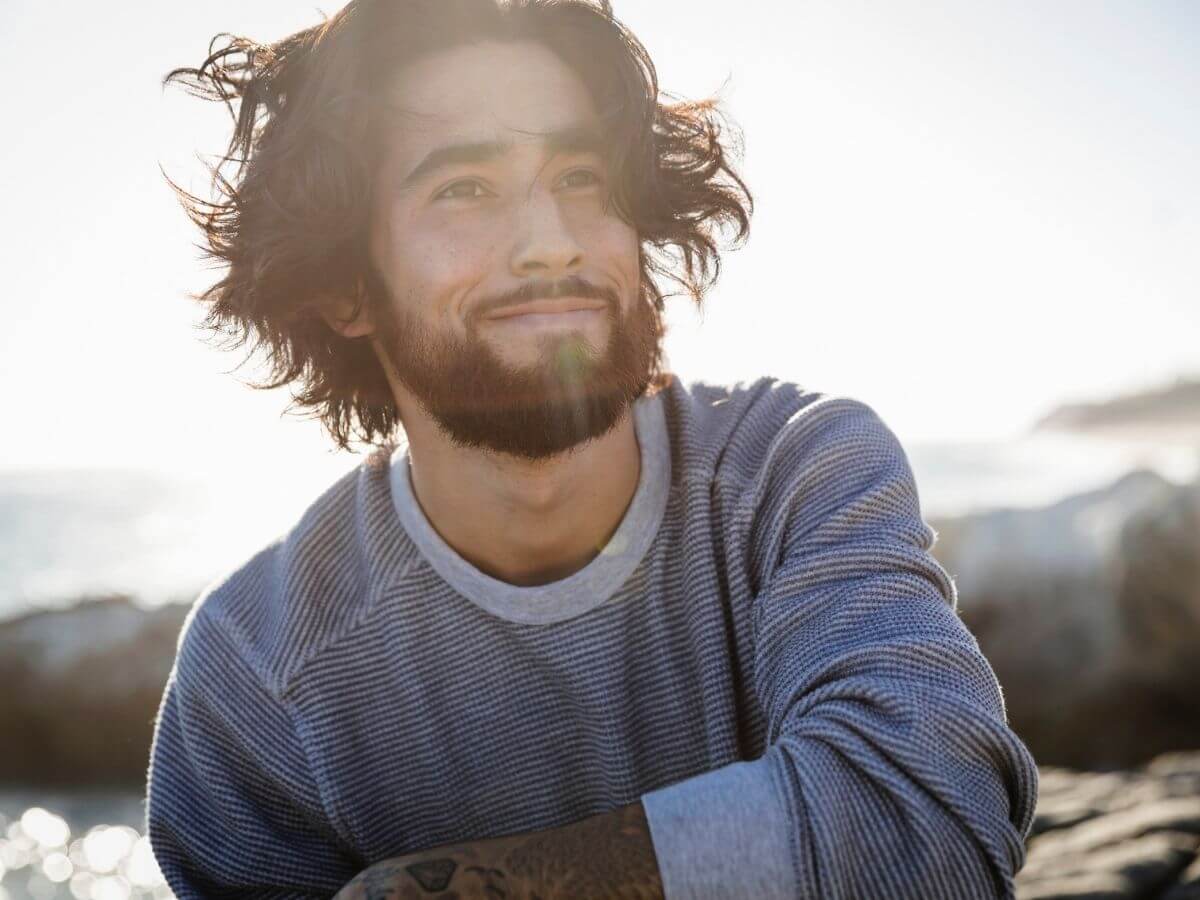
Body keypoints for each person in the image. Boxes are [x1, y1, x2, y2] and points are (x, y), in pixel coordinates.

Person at [144, 0, 1039, 897]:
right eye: (465, 189)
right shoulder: (254, 675)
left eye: (581, 176)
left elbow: (934, 822)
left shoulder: (793, 472)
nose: (551, 243)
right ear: (345, 286)